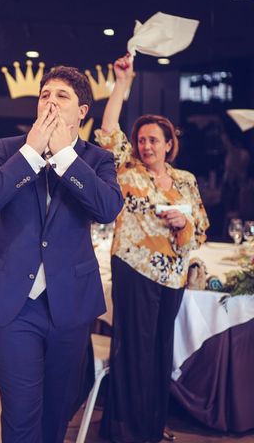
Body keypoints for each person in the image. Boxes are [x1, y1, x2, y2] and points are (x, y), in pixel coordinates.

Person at [0, 66, 124, 443]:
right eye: (45, 94)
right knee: (21, 415)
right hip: (12, 305)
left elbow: (107, 209)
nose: (50, 101)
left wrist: (65, 158)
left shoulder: (97, 159)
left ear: (82, 111)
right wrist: (32, 153)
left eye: (62, 96)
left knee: (57, 413)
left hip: (68, 303)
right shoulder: (8, 149)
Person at [95, 54, 209, 443]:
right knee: (133, 350)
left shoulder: (186, 180)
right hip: (134, 268)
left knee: (160, 351)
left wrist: (186, 222)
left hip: (173, 275)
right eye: (141, 139)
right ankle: (126, 431)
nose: (145, 145)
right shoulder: (127, 170)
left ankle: (153, 426)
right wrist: (121, 83)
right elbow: (108, 130)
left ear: (168, 143)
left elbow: (201, 230)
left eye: (153, 140)